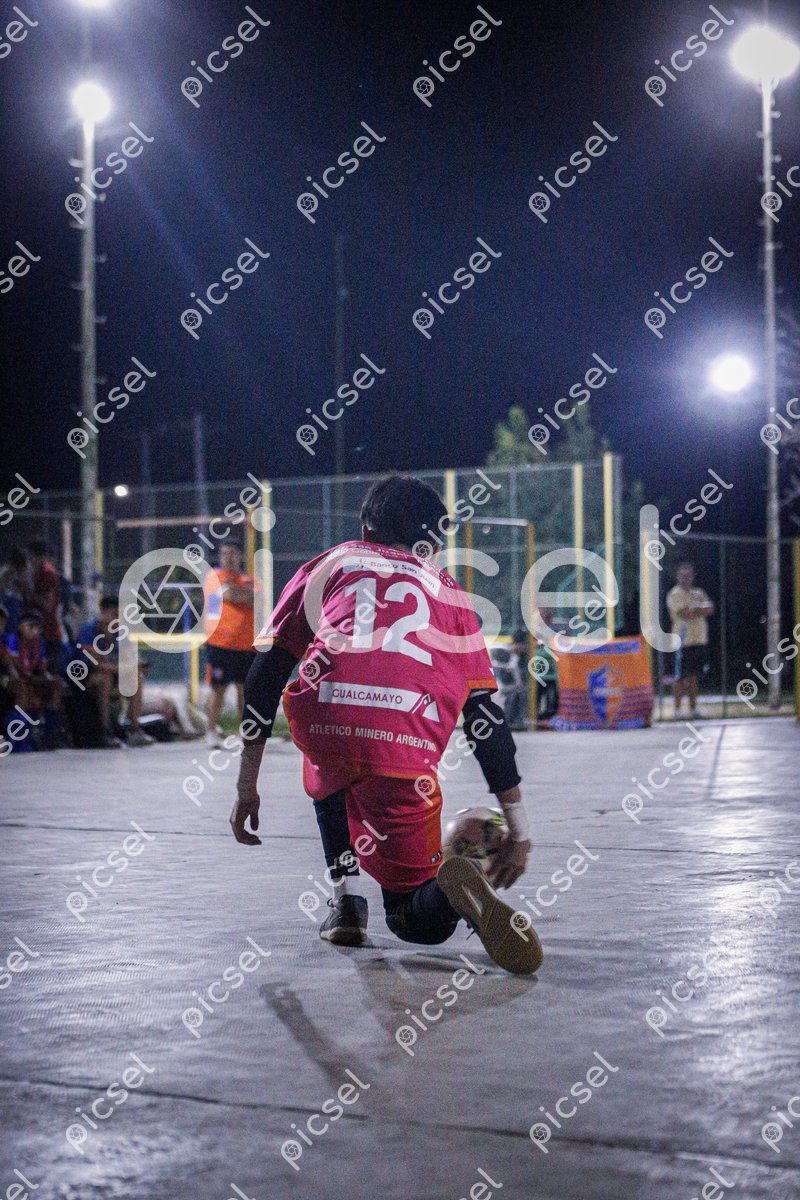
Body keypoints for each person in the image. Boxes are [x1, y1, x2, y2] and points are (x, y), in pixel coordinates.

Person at [229, 474, 542, 975]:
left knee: (326, 730)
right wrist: (519, 827)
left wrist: (247, 785)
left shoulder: (333, 563)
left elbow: (265, 675)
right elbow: (485, 718)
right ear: (432, 544)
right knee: (414, 920)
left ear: (367, 529)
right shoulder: (451, 593)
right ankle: (449, 893)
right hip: (405, 740)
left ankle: (347, 903)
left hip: (328, 716)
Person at [77, 596, 154, 748]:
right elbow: (95, 664)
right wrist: (122, 668)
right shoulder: (89, 630)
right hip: (85, 678)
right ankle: (105, 732)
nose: (118, 619)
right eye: (115, 615)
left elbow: (129, 657)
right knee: (105, 678)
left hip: (114, 675)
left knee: (137, 677)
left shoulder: (120, 633)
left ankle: (134, 730)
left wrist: (136, 666)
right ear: (103, 612)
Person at [204, 542, 259, 747]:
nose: (228, 557)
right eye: (224, 553)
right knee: (218, 688)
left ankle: (245, 733)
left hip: (246, 646)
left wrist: (241, 593)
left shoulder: (250, 579)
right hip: (221, 643)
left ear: (240, 556)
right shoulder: (214, 576)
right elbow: (231, 595)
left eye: (232, 553)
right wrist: (244, 595)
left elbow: (257, 600)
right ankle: (211, 731)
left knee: (245, 690)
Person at [3, 611, 65, 748]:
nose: (35, 631)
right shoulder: (12, 640)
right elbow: (14, 668)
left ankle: (49, 738)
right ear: (21, 627)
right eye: (31, 627)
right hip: (11, 679)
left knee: (56, 687)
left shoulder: (39, 643)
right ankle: (16, 740)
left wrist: (49, 680)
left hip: (31, 679)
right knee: (22, 689)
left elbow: (41, 669)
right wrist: (33, 680)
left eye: (38, 628)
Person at [666, 562, 714, 718]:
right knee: (679, 677)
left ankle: (693, 709)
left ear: (693, 577)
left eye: (688, 576)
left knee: (694, 676)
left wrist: (695, 609)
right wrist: (699, 609)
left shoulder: (698, 593)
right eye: (683, 576)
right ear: (678, 577)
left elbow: (710, 609)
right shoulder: (675, 594)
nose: (686, 579)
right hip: (682, 641)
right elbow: (685, 613)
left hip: (699, 639)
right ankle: (677, 710)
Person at [26, 540, 67, 670]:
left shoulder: (48, 574)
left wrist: (28, 592)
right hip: (36, 632)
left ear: (39, 556)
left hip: (48, 633)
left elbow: (48, 605)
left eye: (31, 557)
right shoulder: (36, 574)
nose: (30, 562)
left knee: (47, 671)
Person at [503, 629, 529, 731]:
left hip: (523, 685)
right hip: (510, 685)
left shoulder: (526, 657)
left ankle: (518, 721)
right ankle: (509, 721)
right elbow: (505, 677)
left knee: (518, 694)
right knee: (513, 695)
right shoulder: (508, 655)